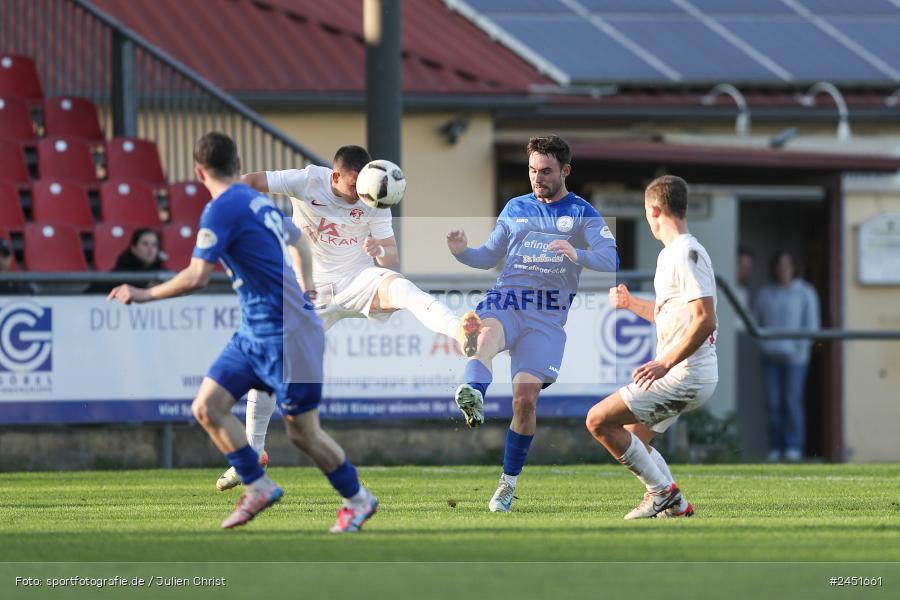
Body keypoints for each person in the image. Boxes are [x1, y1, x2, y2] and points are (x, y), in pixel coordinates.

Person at [109, 132, 377, 533]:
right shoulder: (257, 202)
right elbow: (298, 240)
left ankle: (357, 499)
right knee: (207, 407)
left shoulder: (222, 209)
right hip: (256, 331)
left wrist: (142, 293)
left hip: (288, 333)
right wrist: (305, 284)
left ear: (200, 172)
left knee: (303, 433)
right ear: (237, 164)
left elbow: (198, 276)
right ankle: (258, 485)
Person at [211, 145, 481, 492]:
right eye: (354, 187)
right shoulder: (307, 180)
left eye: (365, 189)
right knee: (267, 365)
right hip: (310, 291)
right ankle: (253, 451)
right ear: (335, 177)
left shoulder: (375, 194)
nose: (361, 196)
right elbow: (249, 181)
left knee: (401, 288)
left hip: (357, 280)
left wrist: (380, 252)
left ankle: (458, 329)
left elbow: (392, 259)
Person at [446, 134, 619, 512]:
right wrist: (462, 252)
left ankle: (506, 486)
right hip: (507, 298)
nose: (537, 178)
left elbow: (610, 259)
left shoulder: (582, 214)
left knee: (525, 401)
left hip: (547, 314)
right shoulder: (515, 208)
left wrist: (578, 252)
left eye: (545, 171)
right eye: (531, 171)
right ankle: (473, 391)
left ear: (565, 171)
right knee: (484, 336)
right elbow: (488, 256)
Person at [585, 175, 718, 520]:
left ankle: (662, 493)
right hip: (683, 373)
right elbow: (673, 316)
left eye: (647, 212)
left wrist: (664, 364)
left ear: (655, 210)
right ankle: (675, 506)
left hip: (686, 375)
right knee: (634, 439)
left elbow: (706, 320)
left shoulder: (688, 253)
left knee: (598, 421)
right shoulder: (670, 255)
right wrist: (632, 305)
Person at [754, 250, 819, 463]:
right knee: (773, 404)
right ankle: (776, 447)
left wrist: (799, 350)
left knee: (792, 402)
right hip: (771, 357)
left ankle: (793, 447)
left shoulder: (806, 292)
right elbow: (755, 323)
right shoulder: (765, 293)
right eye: (780, 264)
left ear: (795, 267)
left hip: (796, 360)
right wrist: (764, 346)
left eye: (788, 264)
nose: (784, 269)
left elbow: (811, 326)